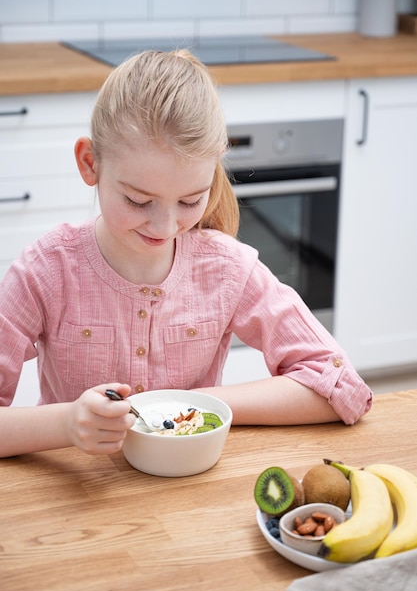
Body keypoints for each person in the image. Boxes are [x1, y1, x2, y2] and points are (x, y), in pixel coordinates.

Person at [0, 49, 372, 458]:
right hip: (77, 500)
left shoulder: (229, 269)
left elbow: (343, 388)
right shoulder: (45, 270)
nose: (165, 227)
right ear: (90, 163)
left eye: (191, 200)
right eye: (138, 201)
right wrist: (67, 423)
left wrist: (200, 404)